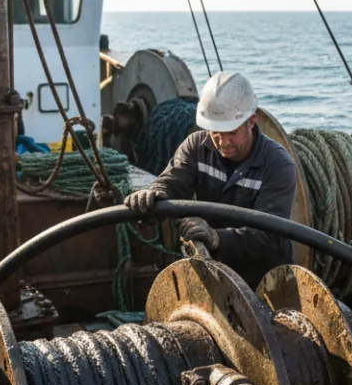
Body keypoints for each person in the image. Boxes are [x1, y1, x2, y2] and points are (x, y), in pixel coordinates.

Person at [124, 71, 297, 288]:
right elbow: (172, 183)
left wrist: (216, 238)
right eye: (215, 131)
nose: (223, 142)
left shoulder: (278, 165)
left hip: (266, 283)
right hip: (213, 273)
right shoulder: (196, 147)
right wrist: (153, 193)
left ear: (250, 121)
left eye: (231, 132)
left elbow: (269, 237)